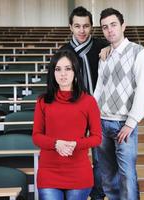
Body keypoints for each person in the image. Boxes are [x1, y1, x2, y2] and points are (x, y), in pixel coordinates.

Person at [93, 8, 144, 200]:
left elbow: (143, 90)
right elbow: (99, 89)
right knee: (107, 177)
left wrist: (131, 123)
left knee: (127, 176)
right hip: (102, 122)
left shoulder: (138, 52)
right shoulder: (105, 55)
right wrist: (92, 118)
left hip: (123, 124)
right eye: (105, 27)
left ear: (123, 25)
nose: (109, 30)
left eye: (113, 25)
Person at [32, 49, 102, 200]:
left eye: (68, 68)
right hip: (49, 172)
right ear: (52, 72)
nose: (62, 74)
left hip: (78, 173)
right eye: (58, 69)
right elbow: (36, 136)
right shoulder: (43, 101)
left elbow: (97, 138)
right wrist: (56, 143)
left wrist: (75, 144)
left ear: (76, 72)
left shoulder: (88, 101)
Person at [59, 6, 108, 200]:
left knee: (100, 159)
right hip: (73, 111)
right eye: (77, 26)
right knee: (72, 158)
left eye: (86, 26)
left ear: (92, 27)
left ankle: (98, 195)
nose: (82, 30)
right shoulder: (63, 52)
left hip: (98, 109)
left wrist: (109, 49)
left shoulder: (102, 46)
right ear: (70, 26)